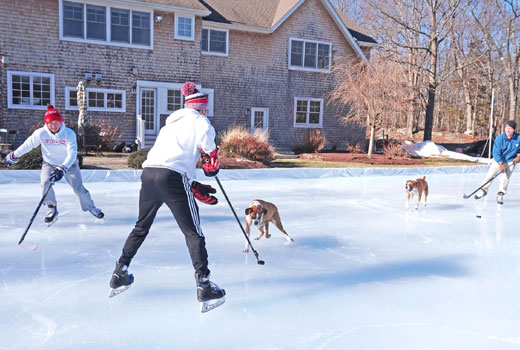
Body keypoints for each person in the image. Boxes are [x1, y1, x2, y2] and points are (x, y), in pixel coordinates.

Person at [109, 81, 225, 312]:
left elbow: (168, 159)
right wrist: (211, 166)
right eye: (206, 108)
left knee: (141, 227)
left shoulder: (169, 125)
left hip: (149, 174)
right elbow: (209, 151)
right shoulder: (201, 122)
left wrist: (190, 183)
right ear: (201, 107)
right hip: (173, 178)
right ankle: (204, 285)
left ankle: (120, 271)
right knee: (193, 232)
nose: (206, 111)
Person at [3, 104, 104, 223]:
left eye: (56, 122)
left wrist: (62, 168)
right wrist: (14, 155)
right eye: (51, 123)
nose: (54, 125)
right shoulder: (41, 133)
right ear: (46, 123)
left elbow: (72, 153)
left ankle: (91, 208)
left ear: (61, 121)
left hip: (69, 164)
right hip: (49, 163)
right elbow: (28, 145)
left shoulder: (69, 133)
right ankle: (52, 207)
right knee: (45, 183)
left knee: (79, 189)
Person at [474, 120, 520, 204]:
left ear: (513, 129)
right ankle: (483, 190)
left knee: (506, 177)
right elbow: (495, 152)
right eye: (506, 128)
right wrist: (500, 163)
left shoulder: (518, 138)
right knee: (490, 175)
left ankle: (500, 194)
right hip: (499, 160)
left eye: (510, 128)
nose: (508, 130)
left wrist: (519, 157)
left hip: (510, 161)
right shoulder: (500, 138)